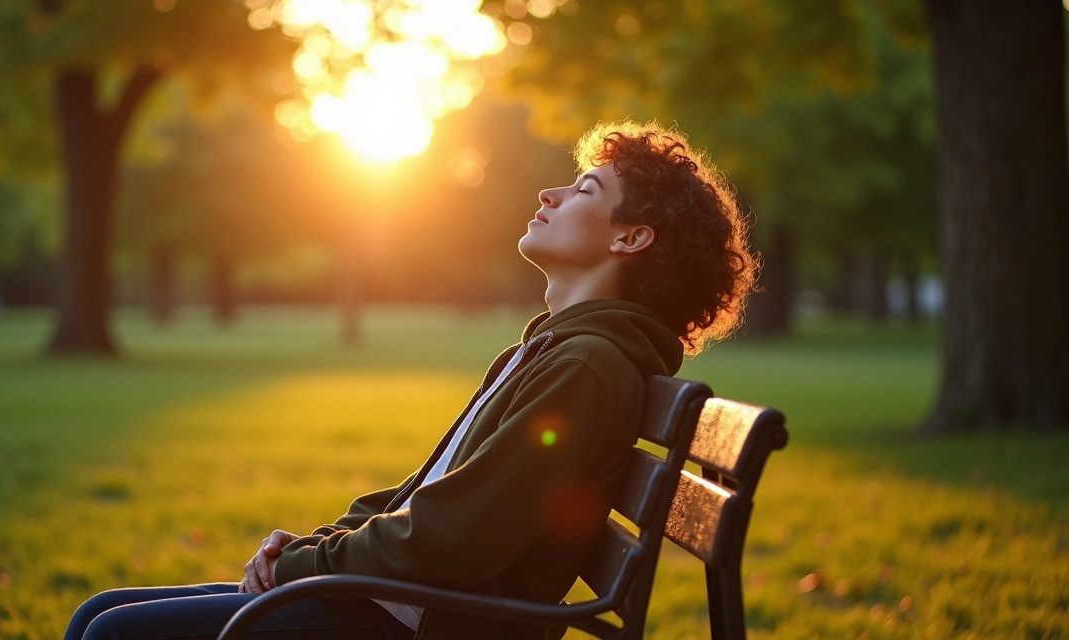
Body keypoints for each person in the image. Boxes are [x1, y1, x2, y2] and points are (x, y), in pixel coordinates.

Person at [63, 119, 757, 640]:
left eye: (583, 189)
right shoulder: (562, 353)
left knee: (114, 634)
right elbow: (425, 499)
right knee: (104, 613)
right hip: (404, 604)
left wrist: (305, 568)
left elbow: (452, 537)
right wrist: (312, 547)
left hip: (423, 625)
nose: (549, 191)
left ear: (629, 238)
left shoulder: (586, 367)